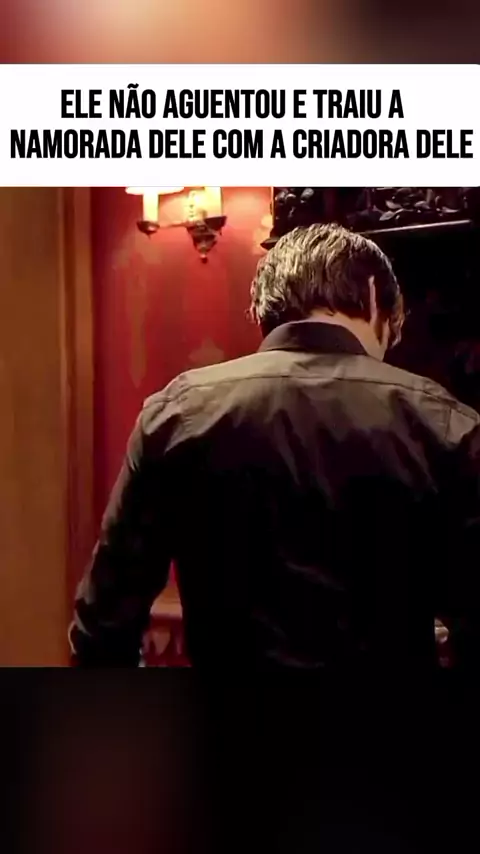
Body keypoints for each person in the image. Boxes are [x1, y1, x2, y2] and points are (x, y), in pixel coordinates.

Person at [70, 222, 480, 668]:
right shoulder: (441, 420)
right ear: (371, 294)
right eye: (392, 331)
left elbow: (103, 626)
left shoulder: (177, 412)